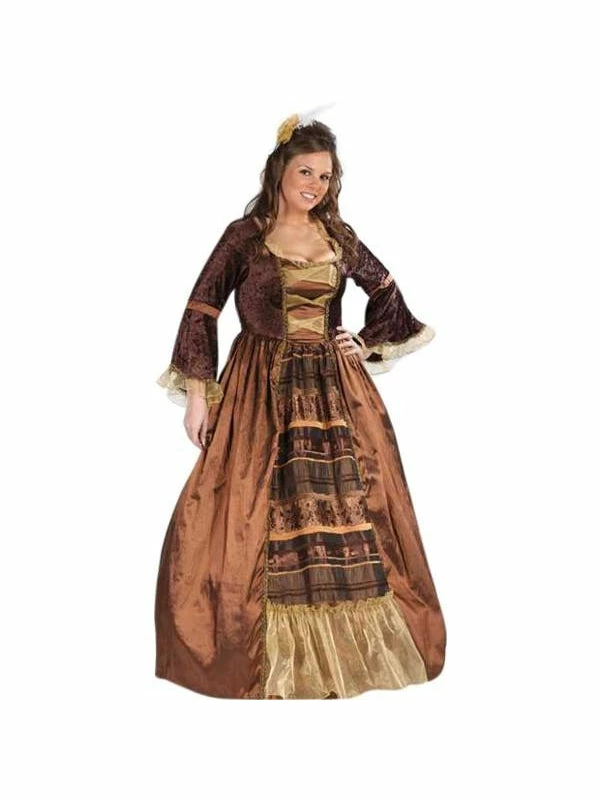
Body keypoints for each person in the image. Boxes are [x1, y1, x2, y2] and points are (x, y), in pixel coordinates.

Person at [154, 109, 447, 700]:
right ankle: (250, 649)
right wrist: (197, 394)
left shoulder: (338, 236)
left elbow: (386, 292)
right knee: (245, 507)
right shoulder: (245, 235)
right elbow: (202, 307)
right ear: (280, 171)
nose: (315, 185)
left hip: (334, 391)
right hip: (259, 387)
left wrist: (363, 342)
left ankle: (350, 652)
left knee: (344, 506)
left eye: (325, 176)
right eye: (306, 172)